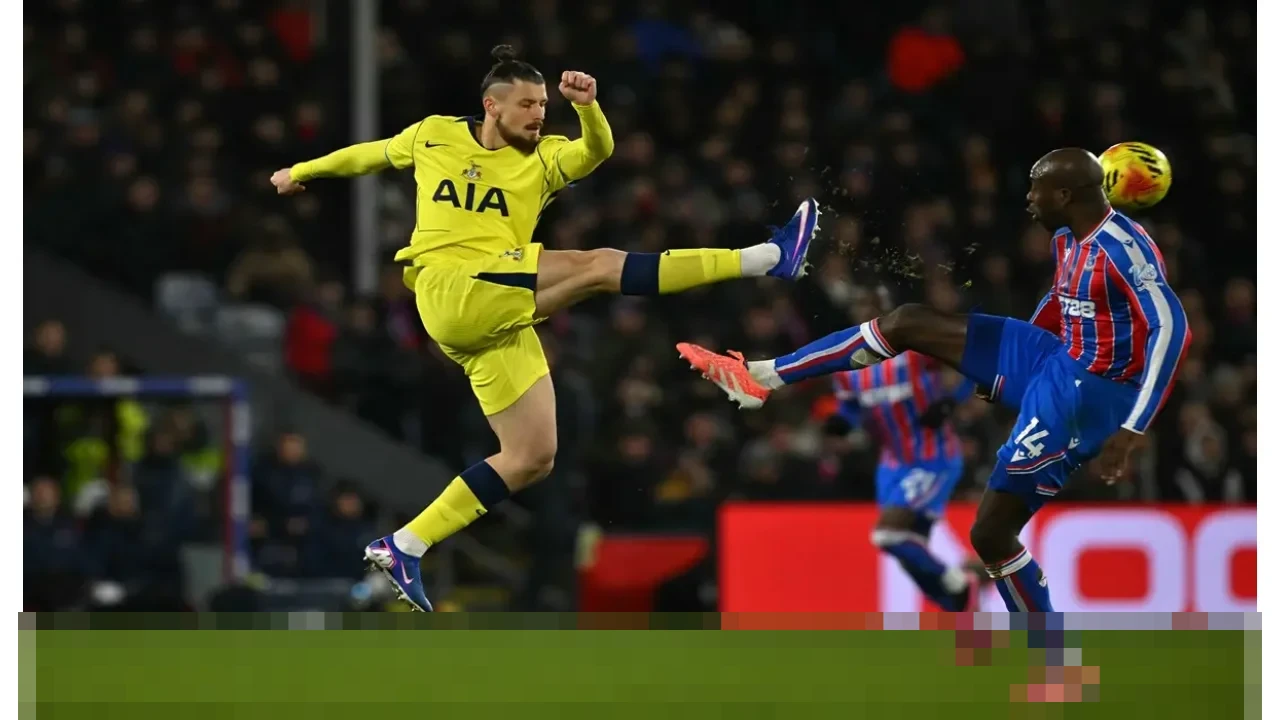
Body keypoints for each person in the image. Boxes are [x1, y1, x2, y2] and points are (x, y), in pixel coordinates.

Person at [272, 46, 820, 611]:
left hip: (492, 314)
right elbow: (370, 154)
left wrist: (588, 108)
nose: (539, 113)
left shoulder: (545, 157)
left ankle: (406, 544)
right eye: (528, 104)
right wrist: (300, 172)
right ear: (493, 105)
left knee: (532, 455)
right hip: (449, 287)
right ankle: (766, 258)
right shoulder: (435, 134)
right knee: (598, 266)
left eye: (543, 104)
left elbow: (597, 150)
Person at [679, 148, 1191, 612]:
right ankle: (762, 377)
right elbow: (1062, 301)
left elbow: (1172, 328)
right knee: (907, 322)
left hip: (1091, 394)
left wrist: (1133, 428)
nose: (1028, 198)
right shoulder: (1066, 237)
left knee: (991, 534)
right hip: (1051, 359)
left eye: (1036, 189)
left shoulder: (1124, 250)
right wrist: (1007, 370)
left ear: (1065, 195)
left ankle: (1053, 662)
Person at [827, 285, 979, 611]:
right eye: (859, 307)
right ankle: (960, 603)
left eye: (871, 305)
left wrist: (951, 402)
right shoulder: (849, 366)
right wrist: (842, 422)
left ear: (885, 307)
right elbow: (850, 407)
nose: (864, 313)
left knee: (888, 534)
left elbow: (969, 361)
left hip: (933, 457)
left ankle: (956, 578)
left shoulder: (914, 348)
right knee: (908, 547)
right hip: (892, 464)